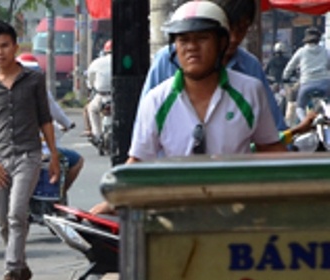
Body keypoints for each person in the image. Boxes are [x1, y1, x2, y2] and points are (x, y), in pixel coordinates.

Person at [91, 1, 284, 215]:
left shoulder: (250, 91)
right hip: (175, 215)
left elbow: (272, 151)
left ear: (221, 43)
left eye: (202, 38)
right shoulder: (156, 100)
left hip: (237, 215)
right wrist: (108, 204)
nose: (192, 47)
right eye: (183, 40)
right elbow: (138, 162)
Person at [0, 20, 59, 280]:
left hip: (29, 155)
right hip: (0, 159)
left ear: (14, 46)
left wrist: (55, 156)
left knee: (16, 213)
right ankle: (21, 266)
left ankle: (12, 271)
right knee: (2, 218)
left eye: (4, 46)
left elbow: (45, 119)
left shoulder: (34, 80)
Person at [140, 0, 286, 132]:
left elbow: (273, 133)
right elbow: (144, 134)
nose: (234, 38)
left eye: (241, 29)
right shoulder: (164, 65)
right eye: (229, 29)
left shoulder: (250, 73)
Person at [16, 53, 84, 196]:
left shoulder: (6, 92)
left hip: (16, 153)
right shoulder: (42, 93)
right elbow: (56, 112)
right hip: (41, 151)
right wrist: (67, 123)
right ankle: (61, 194)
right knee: (77, 161)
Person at [283, 28, 330, 120]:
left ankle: (305, 123)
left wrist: (285, 77)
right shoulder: (326, 51)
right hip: (325, 84)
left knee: (299, 107)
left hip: (307, 84)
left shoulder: (301, 51)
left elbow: (290, 66)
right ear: (318, 39)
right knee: (328, 103)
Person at [85, 40, 112, 145]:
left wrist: (91, 86)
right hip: (118, 97)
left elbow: (90, 80)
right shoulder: (120, 61)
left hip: (102, 95)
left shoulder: (96, 62)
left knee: (91, 109)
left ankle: (97, 134)